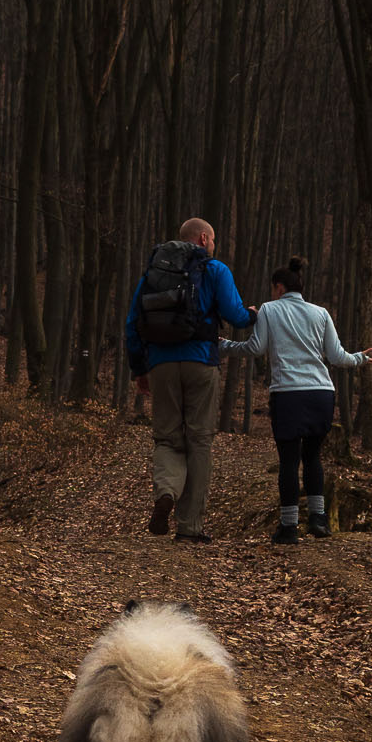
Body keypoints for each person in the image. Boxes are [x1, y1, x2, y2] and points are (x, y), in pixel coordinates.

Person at [223, 256, 372, 544]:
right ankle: (319, 519)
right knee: (313, 456)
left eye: (272, 289)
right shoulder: (321, 313)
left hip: (288, 394)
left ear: (279, 287)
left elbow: (256, 348)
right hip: (321, 393)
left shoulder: (269, 310)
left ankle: (289, 526)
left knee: (289, 461)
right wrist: (361, 358)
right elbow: (337, 356)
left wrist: (224, 346)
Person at [126, 217, 255, 544]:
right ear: (202, 238)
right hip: (201, 363)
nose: (214, 245)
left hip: (160, 365)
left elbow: (132, 323)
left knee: (167, 438)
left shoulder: (153, 274)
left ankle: (166, 491)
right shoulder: (215, 269)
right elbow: (236, 315)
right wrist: (253, 313)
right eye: (213, 240)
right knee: (199, 441)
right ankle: (189, 526)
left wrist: (140, 369)